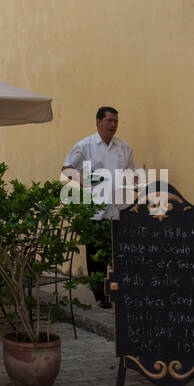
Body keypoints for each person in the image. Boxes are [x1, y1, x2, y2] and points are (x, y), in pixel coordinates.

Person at [61, 106, 138, 309]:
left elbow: (132, 172)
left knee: (120, 252)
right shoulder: (85, 146)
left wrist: (136, 182)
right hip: (94, 209)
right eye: (110, 121)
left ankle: (121, 290)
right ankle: (101, 295)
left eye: (116, 122)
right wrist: (84, 182)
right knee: (96, 256)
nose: (113, 125)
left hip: (120, 207)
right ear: (98, 122)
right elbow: (67, 169)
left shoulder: (125, 148)